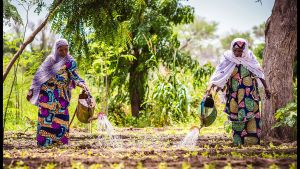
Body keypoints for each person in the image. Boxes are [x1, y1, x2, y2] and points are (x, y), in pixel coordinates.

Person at [205, 38, 271, 146]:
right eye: (235, 50)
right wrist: (209, 91)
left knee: (252, 116)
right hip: (234, 94)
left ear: (244, 50)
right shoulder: (228, 59)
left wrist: (267, 88)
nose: (237, 53)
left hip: (249, 93)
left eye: (240, 51)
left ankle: (252, 142)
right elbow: (218, 76)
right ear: (232, 49)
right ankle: (238, 142)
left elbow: (259, 73)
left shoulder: (250, 58)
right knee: (236, 117)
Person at [27, 38, 89, 147]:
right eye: (61, 50)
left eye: (66, 49)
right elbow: (39, 76)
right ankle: (45, 143)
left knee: (62, 119)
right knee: (46, 119)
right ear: (56, 50)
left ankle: (60, 143)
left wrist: (82, 84)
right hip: (47, 95)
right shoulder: (50, 60)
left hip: (62, 96)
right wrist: (31, 90)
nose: (64, 52)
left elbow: (75, 76)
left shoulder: (70, 62)